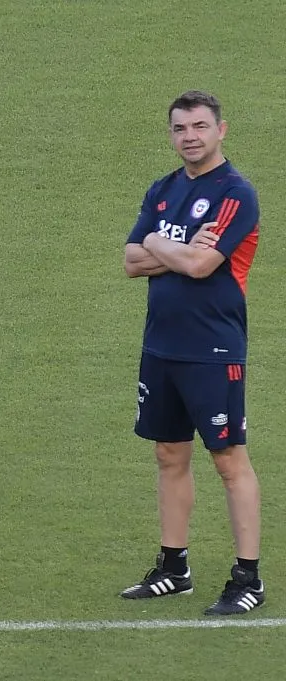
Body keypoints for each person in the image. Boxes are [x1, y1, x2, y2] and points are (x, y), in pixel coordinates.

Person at [121, 90, 263, 615]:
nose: (190, 137)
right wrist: (172, 249)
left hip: (213, 347)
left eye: (200, 126)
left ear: (221, 130)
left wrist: (159, 245)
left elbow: (202, 267)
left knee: (228, 458)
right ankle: (174, 567)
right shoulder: (162, 189)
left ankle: (248, 578)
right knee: (168, 453)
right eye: (180, 128)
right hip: (161, 346)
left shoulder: (235, 194)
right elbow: (130, 261)